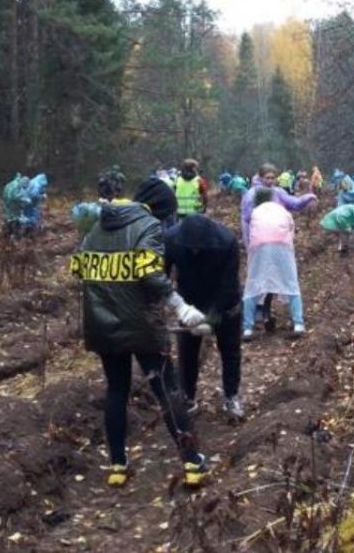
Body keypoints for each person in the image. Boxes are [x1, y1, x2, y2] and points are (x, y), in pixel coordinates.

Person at [68, 178, 210, 488]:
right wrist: (181, 307)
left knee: (116, 390)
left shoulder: (96, 227)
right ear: (161, 209)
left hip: (102, 325)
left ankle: (117, 465)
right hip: (143, 325)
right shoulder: (148, 226)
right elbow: (149, 272)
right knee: (167, 389)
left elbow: (77, 269)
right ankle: (192, 463)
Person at [165, 210, 246, 421]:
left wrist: (212, 318)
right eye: (190, 248)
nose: (194, 251)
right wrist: (179, 307)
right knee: (187, 352)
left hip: (224, 301)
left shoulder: (226, 241)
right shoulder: (171, 239)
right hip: (189, 299)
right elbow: (161, 278)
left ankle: (231, 396)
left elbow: (228, 285)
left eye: (198, 248)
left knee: (230, 351)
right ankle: (188, 398)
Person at [242, 188, 306, 339]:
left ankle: (247, 328)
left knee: (253, 284)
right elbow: (291, 230)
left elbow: (251, 233)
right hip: (282, 245)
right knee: (291, 283)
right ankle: (298, 323)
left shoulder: (255, 212)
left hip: (259, 247)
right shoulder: (282, 210)